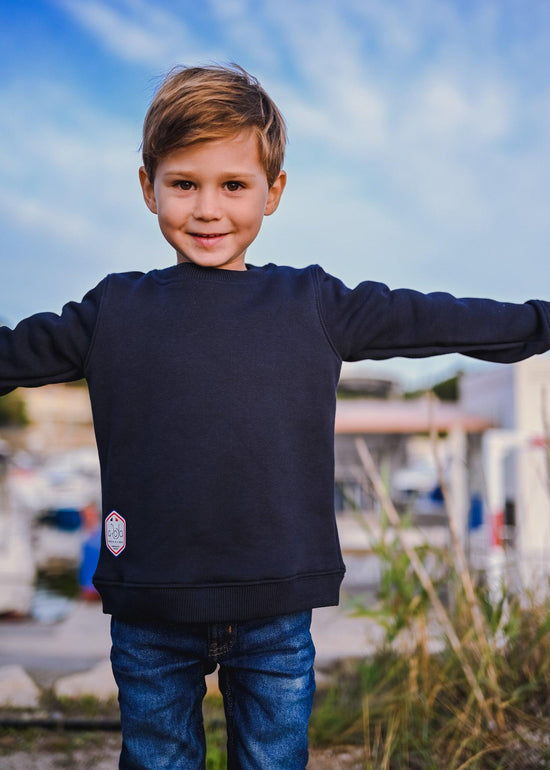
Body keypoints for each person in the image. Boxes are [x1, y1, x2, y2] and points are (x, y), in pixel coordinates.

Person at [1, 63, 550, 770]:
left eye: (233, 185)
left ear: (273, 192)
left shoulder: (312, 303)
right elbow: (14, 353)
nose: (207, 209)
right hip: (149, 609)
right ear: (148, 187)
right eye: (183, 184)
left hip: (275, 609)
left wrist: (540, 322)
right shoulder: (113, 309)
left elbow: (433, 316)